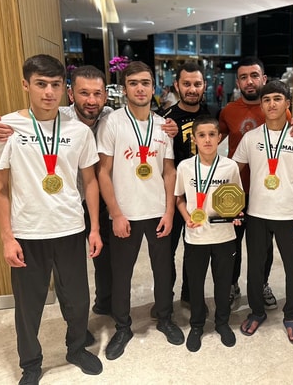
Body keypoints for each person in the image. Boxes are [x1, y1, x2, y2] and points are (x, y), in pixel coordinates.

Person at [0, 67, 179, 319]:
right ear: (71, 94)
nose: (91, 100)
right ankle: (88, 316)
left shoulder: (109, 116)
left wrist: (169, 127)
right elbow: (13, 139)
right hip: (66, 201)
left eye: (97, 93)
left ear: (105, 95)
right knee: (70, 267)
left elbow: (142, 128)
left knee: (105, 257)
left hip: (100, 197)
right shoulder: (57, 116)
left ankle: (106, 305)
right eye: (84, 93)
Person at [0, 55, 104, 384]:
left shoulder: (79, 131)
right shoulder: (8, 128)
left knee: (77, 299)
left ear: (64, 89)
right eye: (41, 84)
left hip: (70, 228)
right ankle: (30, 364)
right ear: (26, 85)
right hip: (28, 231)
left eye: (55, 85)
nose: (49, 92)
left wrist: (95, 228)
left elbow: (90, 181)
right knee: (29, 306)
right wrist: (7, 237)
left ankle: (76, 348)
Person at [97, 61, 184, 361]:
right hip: (126, 212)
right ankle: (123, 327)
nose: (140, 88)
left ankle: (166, 318)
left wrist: (169, 212)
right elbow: (103, 172)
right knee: (122, 274)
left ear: (153, 87)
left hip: (158, 210)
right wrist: (116, 213)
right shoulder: (112, 123)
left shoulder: (163, 126)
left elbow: (169, 172)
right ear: (124, 89)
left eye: (145, 83)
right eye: (133, 83)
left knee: (164, 269)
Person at [219, 57, 293, 311]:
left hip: (268, 194)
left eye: (254, 76)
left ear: (263, 78)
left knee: (263, 249)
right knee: (232, 243)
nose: (249, 81)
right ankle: (232, 285)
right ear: (238, 82)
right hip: (237, 191)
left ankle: (263, 284)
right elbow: (213, 139)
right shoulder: (228, 111)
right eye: (243, 77)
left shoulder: (278, 106)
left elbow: (292, 129)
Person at [233, 80, 293, 344]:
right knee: (255, 267)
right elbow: (233, 172)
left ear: (287, 103)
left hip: (291, 214)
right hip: (257, 214)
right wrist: (230, 205)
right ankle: (256, 311)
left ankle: (291, 315)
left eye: (277, 99)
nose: (272, 104)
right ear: (261, 105)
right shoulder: (251, 137)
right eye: (267, 100)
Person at [174, 115, 243, 352]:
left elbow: (236, 198)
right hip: (196, 237)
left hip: (224, 236)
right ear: (194, 139)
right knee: (195, 284)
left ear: (219, 137)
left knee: (223, 283)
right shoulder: (185, 167)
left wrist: (237, 213)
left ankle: (222, 323)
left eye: (212, 134)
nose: (207, 140)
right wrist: (187, 218)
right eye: (201, 135)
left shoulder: (230, 166)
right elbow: (179, 199)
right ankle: (196, 325)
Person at [161, 61, 211, 308]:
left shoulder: (214, 114)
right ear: (176, 85)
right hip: (171, 195)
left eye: (197, 84)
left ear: (204, 85)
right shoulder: (164, 119)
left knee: (196, 249)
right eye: (187, 84)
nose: (192, 89)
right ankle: (165, 297)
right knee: (166, 250)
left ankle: (190, 294)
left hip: (203, 194)